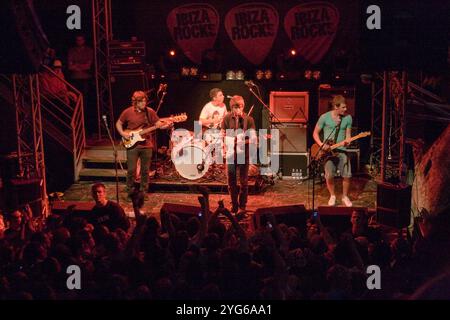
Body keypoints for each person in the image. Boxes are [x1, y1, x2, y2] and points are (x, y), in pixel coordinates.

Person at [116, 91, 171, 198]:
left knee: (145, 171)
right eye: (141, 102)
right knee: (131, 170)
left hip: (147, 145)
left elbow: (158, 125)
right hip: (132, 145)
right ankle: (130, 192)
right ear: (135, 102)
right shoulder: (127, 112)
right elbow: (119, 123)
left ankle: (143, 192)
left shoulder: (150, 112)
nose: (144, 104)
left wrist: (166, 125)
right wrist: (123, 133)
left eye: (145, 101)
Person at [313, 95, 353, 207]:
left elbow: (348, 135)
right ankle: (332, 196)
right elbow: (315, 133)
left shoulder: (348, 118)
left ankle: (345, 196)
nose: (346, 109)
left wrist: (348, 140)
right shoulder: (324, 117)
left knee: (347, 175)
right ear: (336, 106)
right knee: (329, 175)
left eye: (346, 107)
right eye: (343, 107)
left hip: (342, 150)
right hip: (328, 152)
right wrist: (321, 144)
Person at [221, 95, 257, 214]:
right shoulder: (226, 118)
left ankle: (242, 205)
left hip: (243, 154)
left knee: (243, 182)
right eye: (236, 107)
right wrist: (224, 146)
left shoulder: (249, 119)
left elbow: (253, 139)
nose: (239, 109)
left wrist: (244, 141)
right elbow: (223, 135)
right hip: (231, 154)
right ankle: (234, 205)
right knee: (231, 181)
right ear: (232, 108)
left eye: (241, 107)